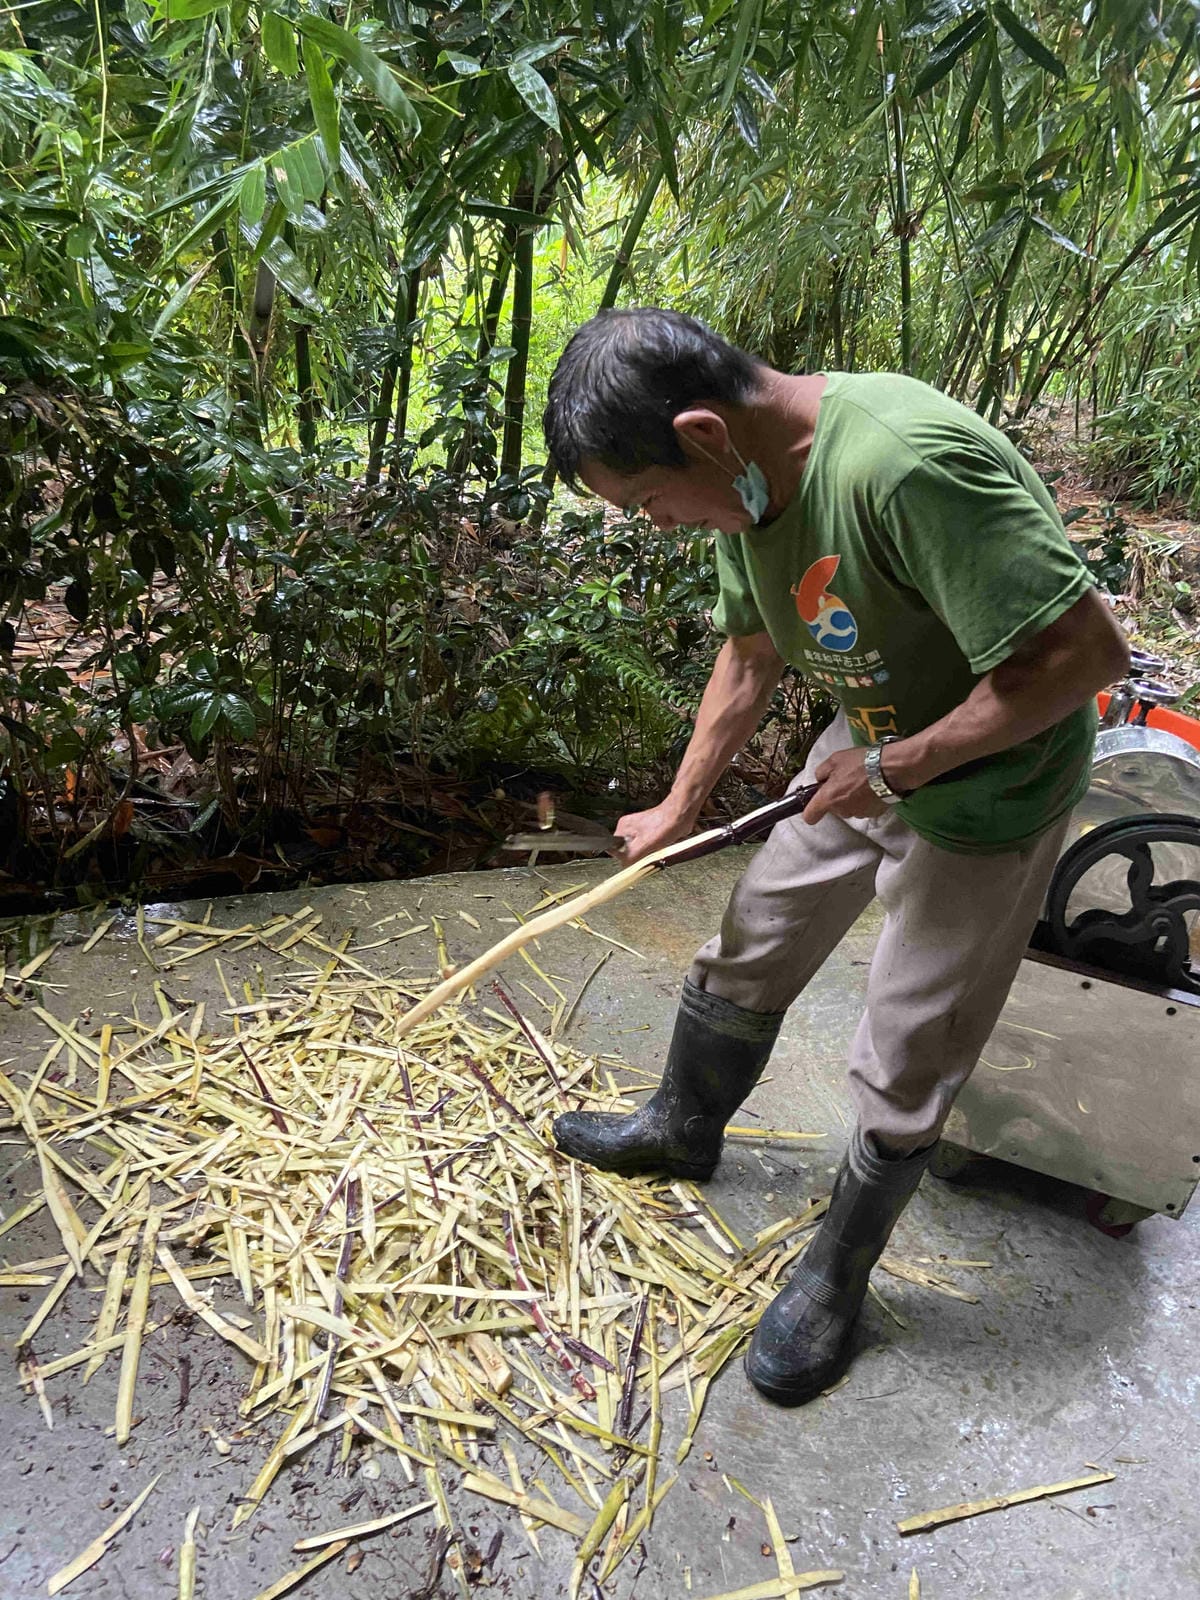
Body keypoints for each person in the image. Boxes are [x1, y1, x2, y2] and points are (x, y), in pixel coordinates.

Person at [540, 307, 1130, 1407]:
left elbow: (1086, 654)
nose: (657, 524)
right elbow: (752, 647)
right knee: (755, 930)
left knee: (910, 1043)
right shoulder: (752, 489)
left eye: (645, 501)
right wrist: (680, 801)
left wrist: (900, 767)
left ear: (704, 434)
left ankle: (836, 1274)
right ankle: (681, 1124)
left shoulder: (903, 465)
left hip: (986, 785)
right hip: (870, 740)